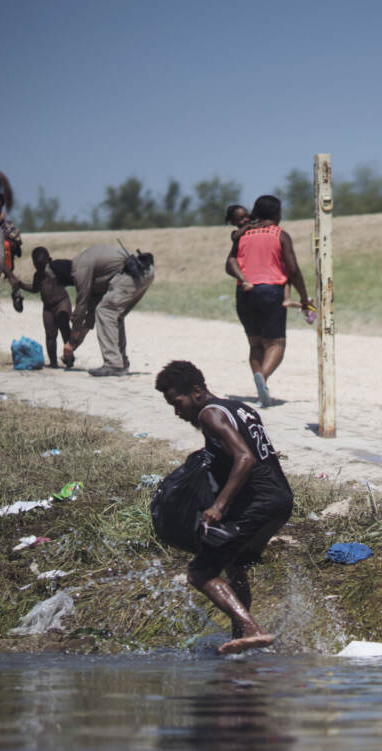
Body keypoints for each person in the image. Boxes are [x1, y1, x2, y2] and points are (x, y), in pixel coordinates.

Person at [155, 360, 293, 654]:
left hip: (259, 503)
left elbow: (245, 458)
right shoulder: (238, 408)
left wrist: (218, 506)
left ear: (196, 391)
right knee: (234, 563)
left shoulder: (209, 415)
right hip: (281, 499)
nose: (177, 412)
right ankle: (241, 638)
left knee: (200, 573)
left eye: (177, 403)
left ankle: (252, 629)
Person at [225, 195, 311, 408]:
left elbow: (229, 264)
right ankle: (262, 378)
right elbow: (292, 269)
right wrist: (302, 295)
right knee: (276, 343)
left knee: (255, 344)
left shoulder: (242, 236)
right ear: (277, 214)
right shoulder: (280, 234)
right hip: (270, 291)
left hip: (244, 293)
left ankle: (259, 382)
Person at [61, 244, 155, 376]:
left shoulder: (79, 268)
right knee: (115, 315)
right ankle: (121, 362)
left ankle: (113, 364)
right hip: (145, 270)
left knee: (106, 311)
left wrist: (72, 339)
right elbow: (92, 310)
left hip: (133, 272)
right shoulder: (97, 272)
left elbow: (81, 305)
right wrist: (81, 335)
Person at [225, 204, 299, 309]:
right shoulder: (237, 234)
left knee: (286, 273)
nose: (246, 220)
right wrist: (247, 227)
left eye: (246, 216)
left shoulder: (255, 226)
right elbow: (235, 237)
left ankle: (287, 298)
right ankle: (244, 281)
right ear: (233, 222)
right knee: (232, 261)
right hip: (260, 282)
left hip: (261, 281)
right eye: (240, 219)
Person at [9, 248, 73, 368]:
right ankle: (53, 362)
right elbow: (35, 289)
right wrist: (21, 285)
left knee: (65, 329)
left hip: (62, 302)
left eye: (42, 265)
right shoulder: (37, 275)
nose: (40, 268)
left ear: (49, 260)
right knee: (50, 335)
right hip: (48, 307)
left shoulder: (55, 270)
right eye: (37, 266)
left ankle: (69, 358)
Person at [0, 192, 24, 311]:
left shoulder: (5, 225)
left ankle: (15, 291)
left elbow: (16, 243)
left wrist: (5, 243)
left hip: (2, 260)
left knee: (5, 246)